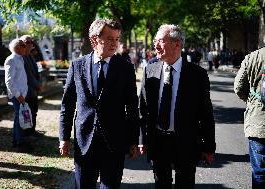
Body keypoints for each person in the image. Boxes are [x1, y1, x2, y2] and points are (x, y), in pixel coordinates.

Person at [59, 18, 140, 189]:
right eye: (110, 39)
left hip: (114, 143)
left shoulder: (125, 68)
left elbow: (132, 106)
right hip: (84, 141)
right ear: (94, 39)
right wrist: (64, 137)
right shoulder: (77, 65)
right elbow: (68, 104)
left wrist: (134, 140)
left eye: (117, 39)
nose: (114, 44)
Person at [139, 24, 216, 189]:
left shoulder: (197, 75)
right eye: (155, 41)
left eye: (160, 41)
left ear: (177, 44)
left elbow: (206, 113)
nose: (156, 45)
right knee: (161, 184)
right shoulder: (149, 71)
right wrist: (141, 140)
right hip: (158, 141)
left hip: (186, 142)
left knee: (185, 184)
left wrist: (209, 147)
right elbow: (143, 110)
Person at [234, 47, 265, 189]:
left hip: (259, 122)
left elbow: (239, 87)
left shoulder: (253, 57)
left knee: (260, 171)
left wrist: (253, 101)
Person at [4, 38, 29, 152]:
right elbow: (9, 81)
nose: (26, 48)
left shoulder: (20, 59)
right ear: (17, 47)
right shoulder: (12, 59)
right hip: (17, 95)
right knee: (19, 119)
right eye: (24, 45)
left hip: (22, 94)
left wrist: (23, 93)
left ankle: (16, 140)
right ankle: (20, 143)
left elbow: (20, 78)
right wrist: (18, 95)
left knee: (18, 118)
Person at [19, 35, 44, 137]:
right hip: (27, 90)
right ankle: (28, 133)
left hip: (33, 90)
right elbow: (28, 75)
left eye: (31, 42)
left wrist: (38, 84)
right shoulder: (22, 57)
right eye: (27, 42)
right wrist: (38, 86)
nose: (30, 44)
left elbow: (35, 72)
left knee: (34, 111)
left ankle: (32, 131)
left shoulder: (30, 55)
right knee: (28, 113)